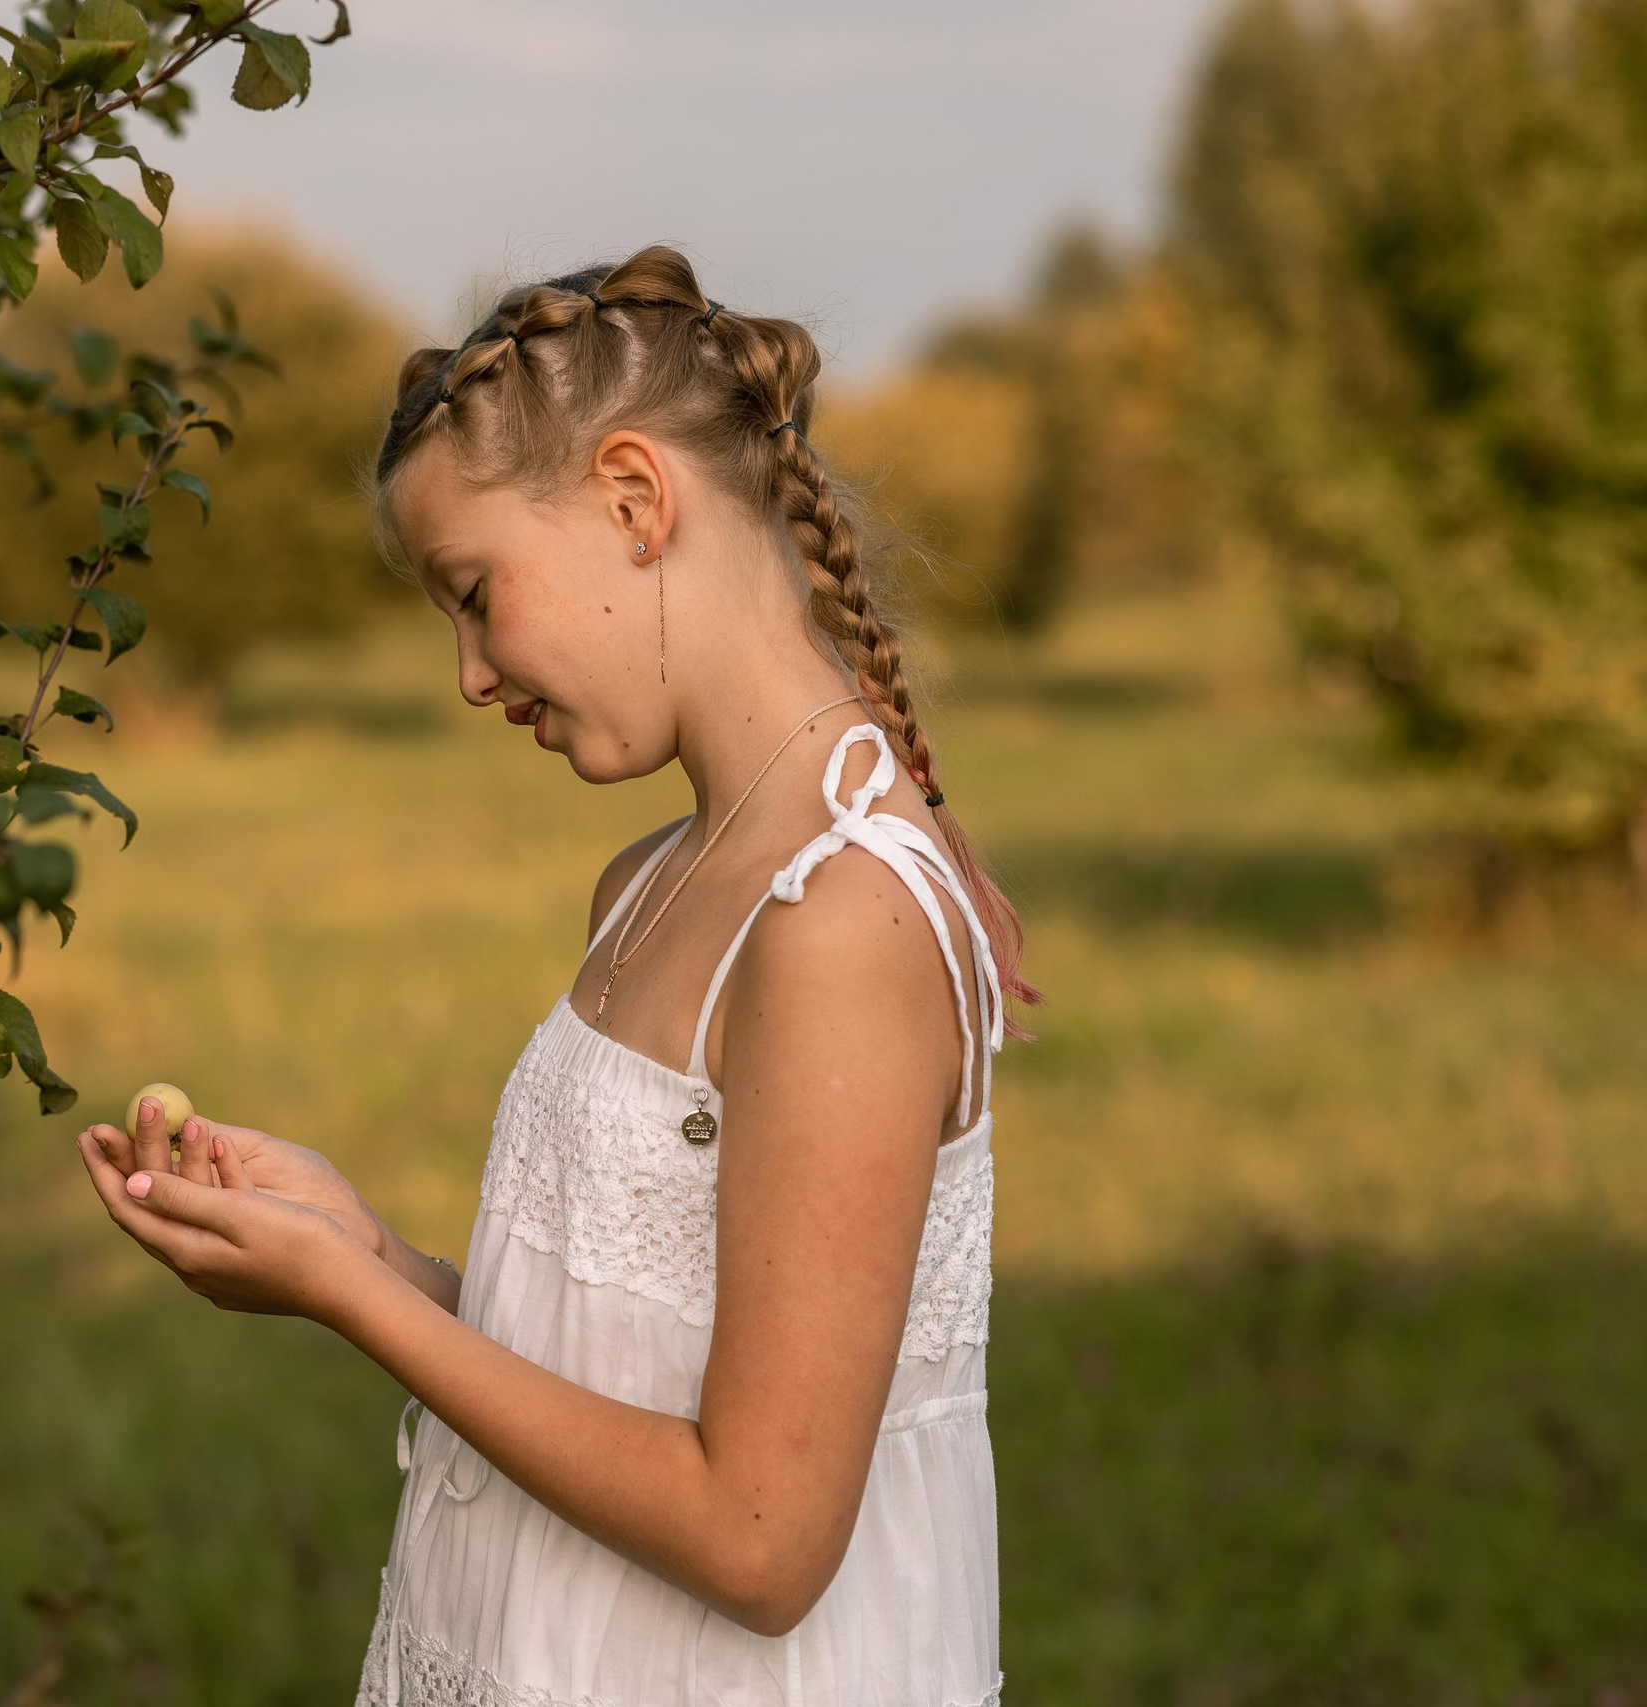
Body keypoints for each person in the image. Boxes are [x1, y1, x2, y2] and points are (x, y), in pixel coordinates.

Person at [72, 242, 1045, 1706]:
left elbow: (761, 1539)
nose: (469, 674)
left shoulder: (840, 922)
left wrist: (359, 1302)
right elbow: (626, 1368)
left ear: (638, 501)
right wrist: (371, 1250)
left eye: (474, 593)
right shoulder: (648, 883)